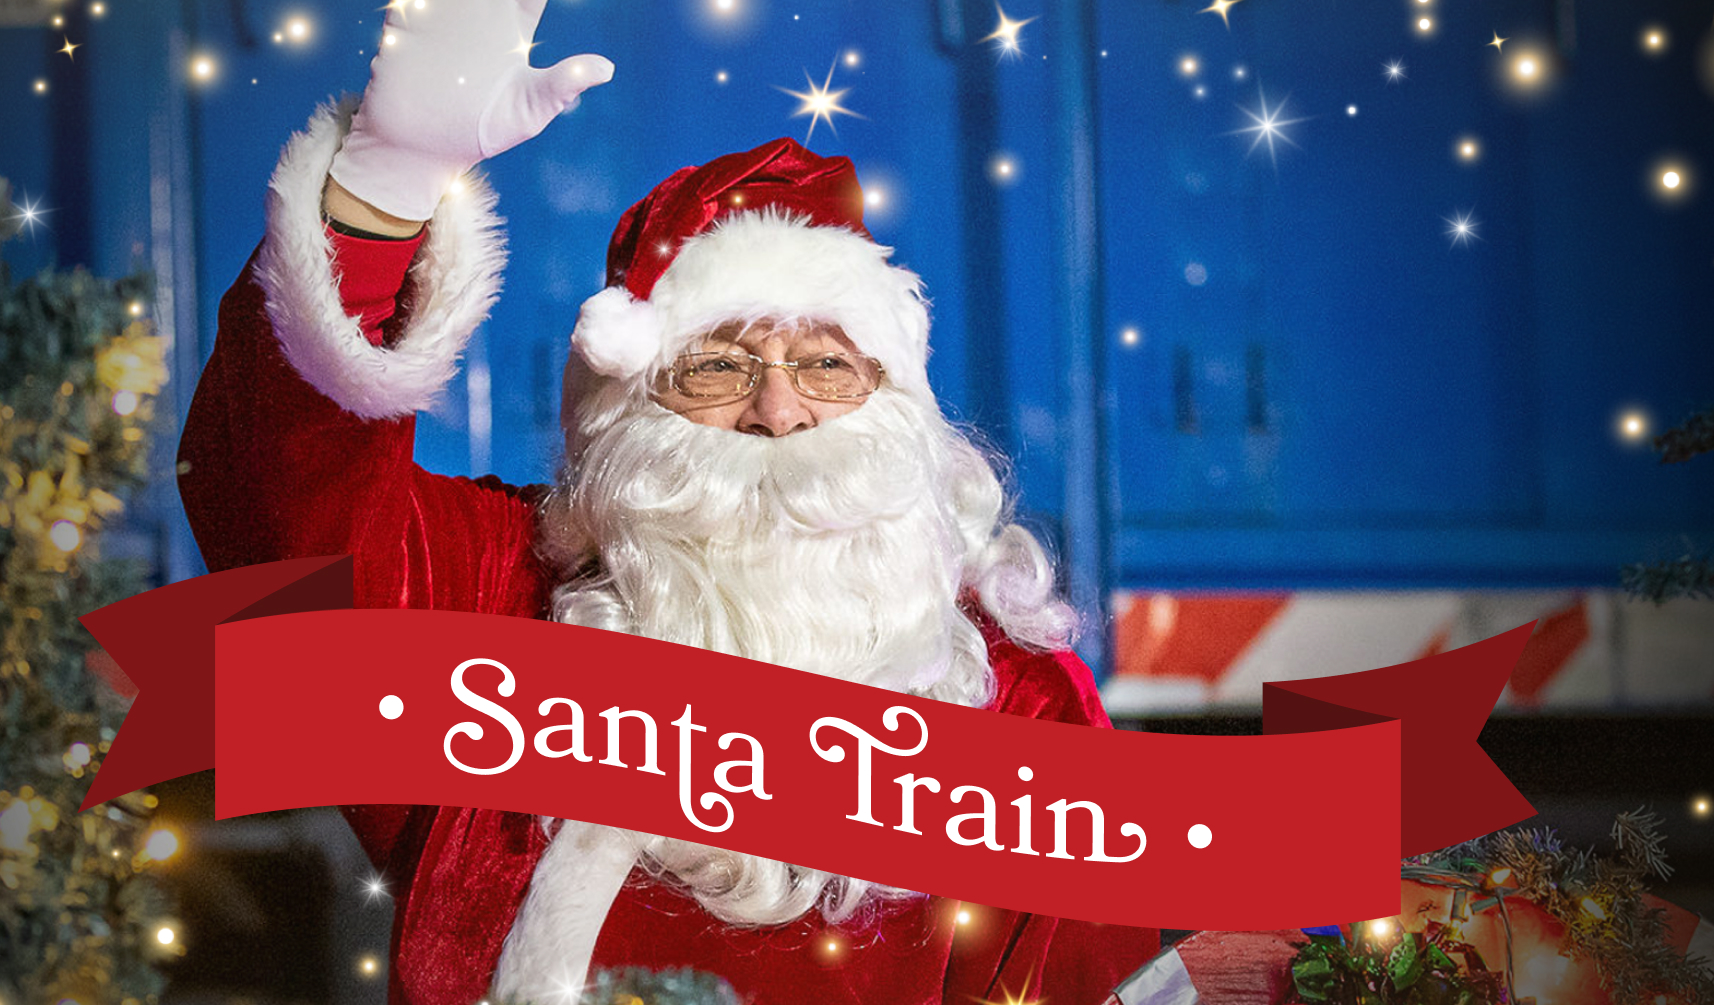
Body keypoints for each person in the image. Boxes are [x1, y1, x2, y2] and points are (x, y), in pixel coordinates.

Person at [176, 0, 1158, 1002]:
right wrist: (380, 196)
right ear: (629, 414)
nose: (780, 413)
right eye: (718, 368)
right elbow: (284, 509)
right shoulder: (497, 608)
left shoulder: (1013, 701)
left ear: (897, 405)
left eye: (826, 363)